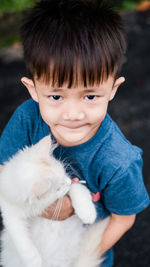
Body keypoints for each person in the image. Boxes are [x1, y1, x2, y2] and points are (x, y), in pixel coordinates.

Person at [0, 0, 149, 266]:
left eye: (90, 96)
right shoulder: (27, 118)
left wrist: (79, 260)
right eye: (56, 96)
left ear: (113, 89)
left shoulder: (118, 159)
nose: (73, 113)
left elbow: (124, 218)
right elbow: (3, 168)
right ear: (33, 90)